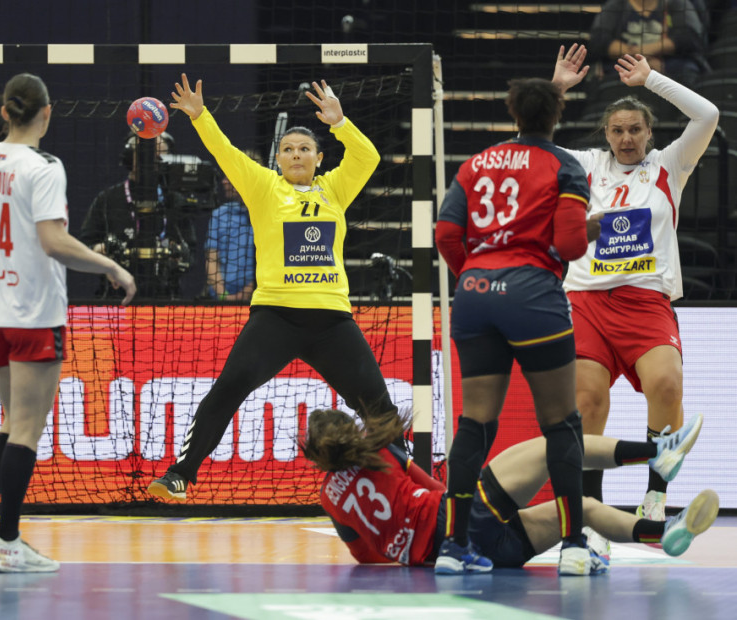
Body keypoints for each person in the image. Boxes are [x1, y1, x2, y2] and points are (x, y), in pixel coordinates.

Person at [147, 75, 402, 502]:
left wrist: (340, 123)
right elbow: (224, 151)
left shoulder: (335, 189)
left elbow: (368, 156)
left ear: (319, 157)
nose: (296, 154)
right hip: (276, 318)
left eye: (304, 148)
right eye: (288, 149)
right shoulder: (264, 186)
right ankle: (180, 475)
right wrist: (200, 116)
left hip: (332, 321)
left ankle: (406, 483)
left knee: (379, 408)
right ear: (278, 158)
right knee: (228, 389)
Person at [0, 73, 136, 573]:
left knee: (12, 421)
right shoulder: (43, 167)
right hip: (34, 311)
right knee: (27, 429)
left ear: (4, 112)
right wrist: (111, 267)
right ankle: (9, 541)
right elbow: (54, 242)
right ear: (47, 113)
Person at [552, 46, 719, 529]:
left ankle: (654, 498)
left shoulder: (670, 165)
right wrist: (556, 88)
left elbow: (707, 114)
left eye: (635, 130)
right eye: (617, 130)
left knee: (666, 384)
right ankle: (590, 513)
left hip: (646, 301)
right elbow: (529, 147)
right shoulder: (585, 164)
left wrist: (650, 80)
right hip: (586, 300)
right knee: (586, 402)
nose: (626, 138)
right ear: (606, 134)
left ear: (650, 133)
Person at [434, 78, 593, 574]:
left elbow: (446, 234)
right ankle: (573, 546)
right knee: (561, 423)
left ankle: (453, 547)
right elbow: (571, 244)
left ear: (513, 113)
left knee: (476, 422)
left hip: (474, 292)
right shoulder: (565, 165)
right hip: (532, 293)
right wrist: (588, 229)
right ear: (557, 114)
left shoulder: (476, 163)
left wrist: (475, 275)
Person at [304, 408, 715, 571]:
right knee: (553, 446)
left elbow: (364, 556)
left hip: (449, 556)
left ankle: (666, 532)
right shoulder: (378, 452)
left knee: (582, 507)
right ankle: (656, 453)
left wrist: (407, 547)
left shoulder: (328, 497)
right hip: (457, 522)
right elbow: (433, 486)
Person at [79, 132, 192, 299]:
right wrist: (101, 252)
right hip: (116, 297)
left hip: (166, 297)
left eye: (159, 158)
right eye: (146, 156)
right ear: (128, 158)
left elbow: (191, 253)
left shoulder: (175, 201)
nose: (151, 163)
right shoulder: (107, 200)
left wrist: (178, 257)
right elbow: (84, 247)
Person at [588, 0, 709, 88]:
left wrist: (643, 54)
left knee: (687, 70)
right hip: (627, 65)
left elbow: (690, 38)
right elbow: (599, 41)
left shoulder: (677, 3)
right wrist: (640, 61)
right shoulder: (615, 6)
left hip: (669, 64)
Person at [205, 174, 255, 302]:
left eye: (229, 177)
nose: (224, 182)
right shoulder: (219, 215)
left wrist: (248, 292)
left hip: (257, 298)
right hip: (220, 300)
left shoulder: (265, 214)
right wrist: (223, 296)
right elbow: (211, 259)